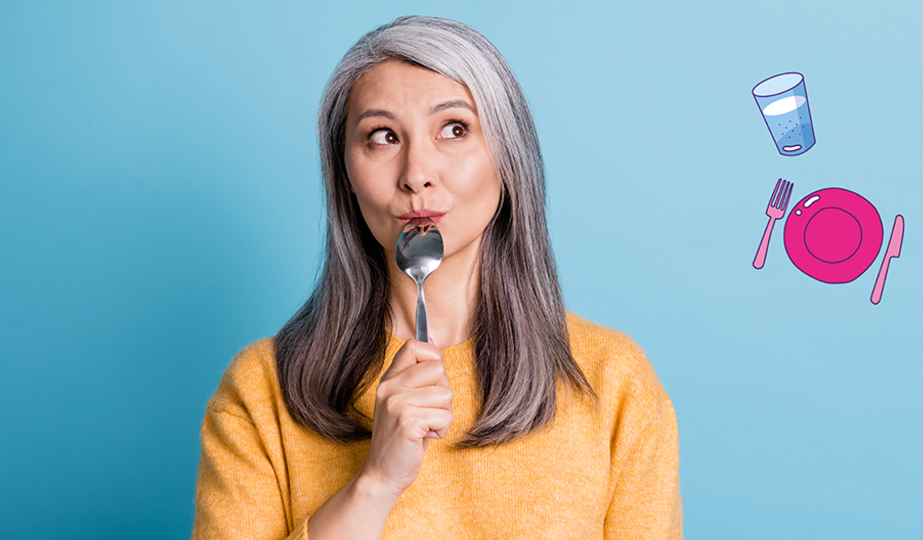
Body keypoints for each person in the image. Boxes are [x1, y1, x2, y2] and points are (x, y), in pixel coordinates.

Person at [191, 15, 681, 539]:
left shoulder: (613, 382)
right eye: (382, 137)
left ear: (506, 157)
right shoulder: (262, 391)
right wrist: (375, 482)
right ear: (347, 177)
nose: (416, 173)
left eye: (455, 129)